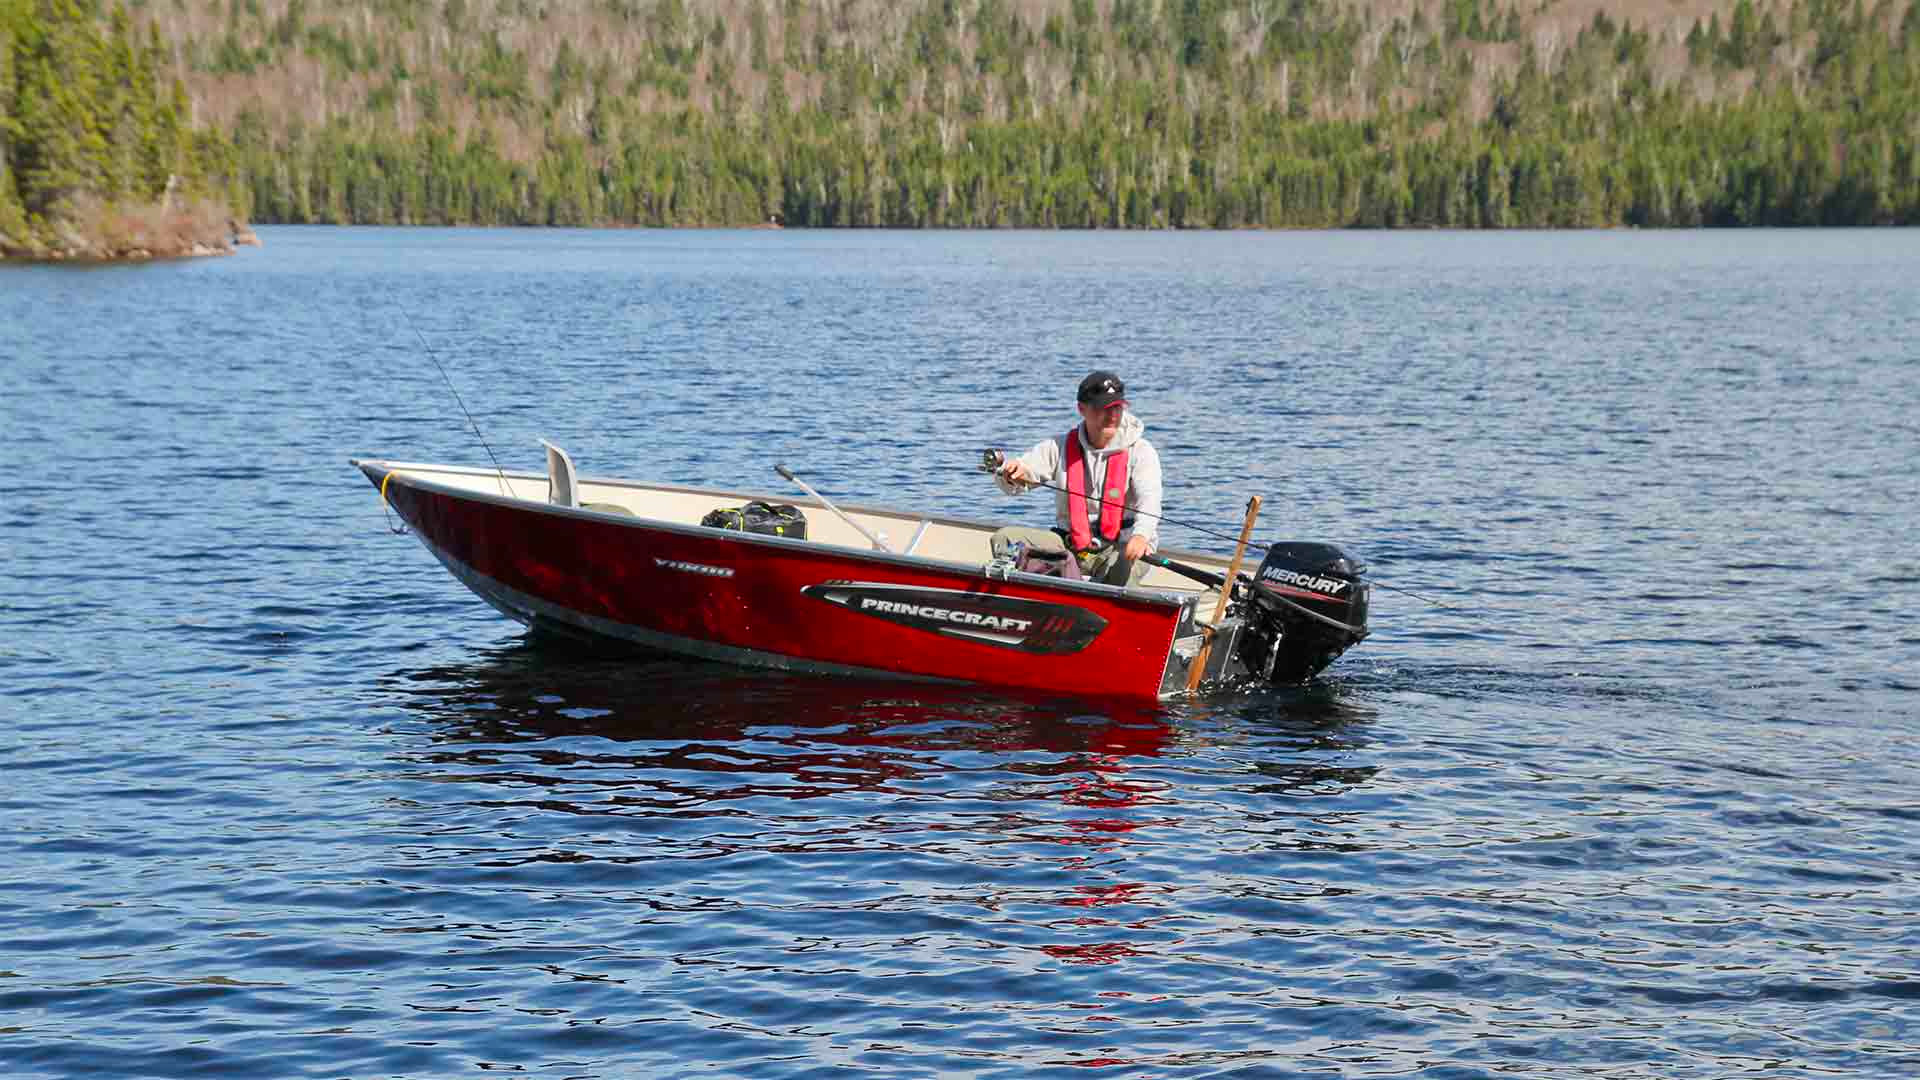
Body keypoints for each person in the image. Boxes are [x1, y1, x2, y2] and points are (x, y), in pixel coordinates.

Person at [990, 370, 1163, 586]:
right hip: (1070, 545)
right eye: (1103, 408)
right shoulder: (1059, 447)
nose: (1112, 416)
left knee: (1123, 566)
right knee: (1004, 539)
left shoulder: (1142, 451)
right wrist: (1012, 475)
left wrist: (1141, 536)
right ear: (1082, 409)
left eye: (1117, 408)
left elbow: (1151, 501)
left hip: (1121, 547)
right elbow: (1013, 484)